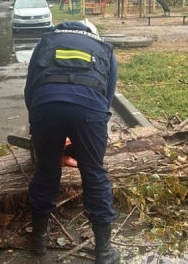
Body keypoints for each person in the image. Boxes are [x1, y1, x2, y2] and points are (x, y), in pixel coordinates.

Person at [24, 20, 120, 264]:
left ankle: (38, 241)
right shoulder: (104, 48)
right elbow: (106, 100)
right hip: (90, 111)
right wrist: (82, 141)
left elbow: (30, 91)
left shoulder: (45, 42)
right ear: (90, 33)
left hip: (45, 107)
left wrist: (41, 128)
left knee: (46, 169)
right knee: (94, 173)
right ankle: (104, 252)